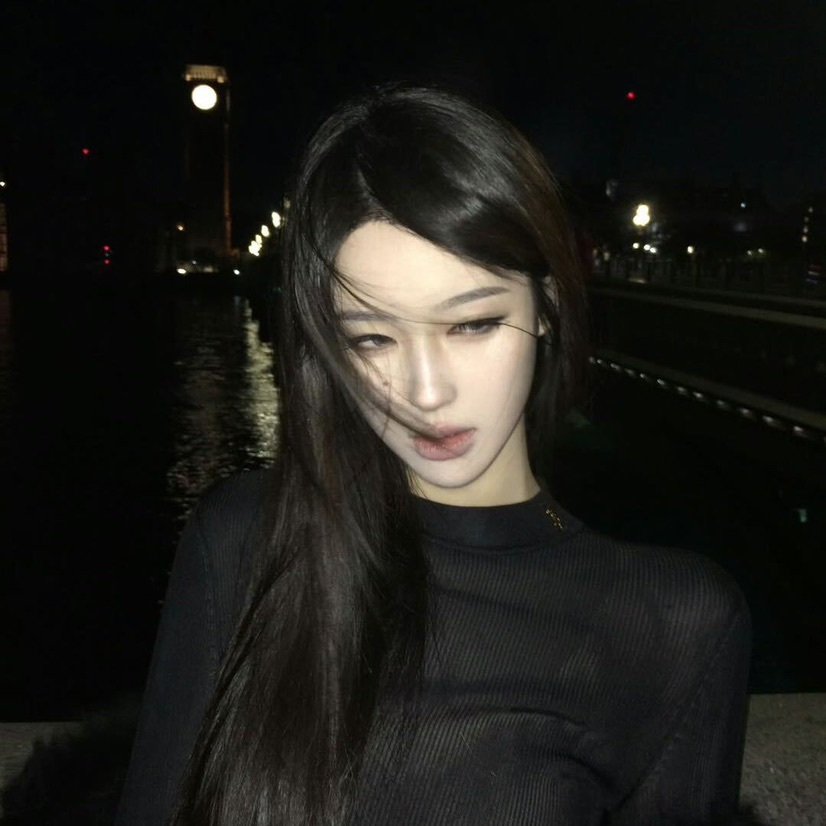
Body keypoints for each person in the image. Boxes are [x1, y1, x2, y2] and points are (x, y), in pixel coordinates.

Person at [115, 84, 751, 825]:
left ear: (546, 306)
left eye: (472, 325)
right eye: (372, 338)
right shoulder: (242, 541)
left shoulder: (675, 622)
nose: (424, 392)